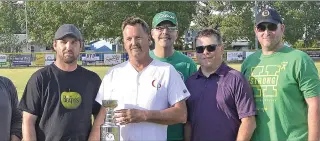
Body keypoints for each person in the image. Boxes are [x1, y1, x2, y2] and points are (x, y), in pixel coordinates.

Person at [89, 16, 190, 141]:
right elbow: (102, 118)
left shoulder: (166, 71)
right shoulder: (113, 74)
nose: (133, 43)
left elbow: (181, 114)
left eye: (138, 38)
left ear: (148, 39)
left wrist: (144, 115)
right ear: (124, 43)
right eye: (129, 39)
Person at [241, 8, 320, 141]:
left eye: (272, 27)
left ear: (282, 28)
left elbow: (315, 105)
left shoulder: (300, 59)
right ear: (256, 30)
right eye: (261, 27)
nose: (266, 32)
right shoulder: (248, 63)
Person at [19, 24, 102, 141]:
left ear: (81, 46)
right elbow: (28, 121)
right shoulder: (40, 78)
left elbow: (101, 116)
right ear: (54, 45)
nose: (69, 46)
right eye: (63, 42)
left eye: (74, 42)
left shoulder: (92, 80)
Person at [184, 28, 257, 141]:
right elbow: (188, 123)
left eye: (211, 48)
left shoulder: (236, 79)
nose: (205, 52)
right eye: (200, 49)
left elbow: (248, 121)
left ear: (221, 49)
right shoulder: (190, 82)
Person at [149, 11, 198, 141]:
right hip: (148, 134)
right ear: (152, 33)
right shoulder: (144, 61)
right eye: (160, 28)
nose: (165, 32)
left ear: (177, 33)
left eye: (170, 28)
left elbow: (192, 107)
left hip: (177, 136)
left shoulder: (187, 64)